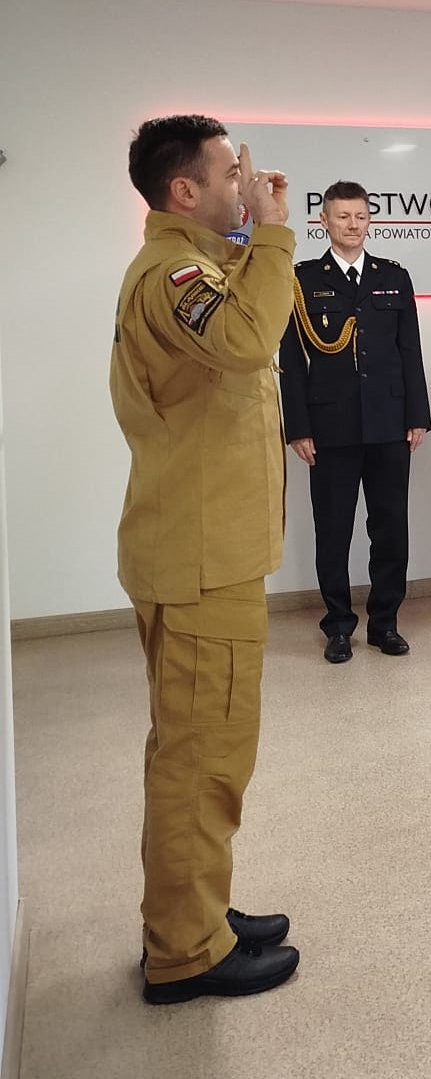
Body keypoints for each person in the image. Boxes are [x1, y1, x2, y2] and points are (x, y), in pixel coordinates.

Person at [111, 115, 300, 1002]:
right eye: (229, 174)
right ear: (183, 190)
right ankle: (186, 952)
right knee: (200, 761)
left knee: (202, 749)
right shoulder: (174, 275)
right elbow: (249, 340)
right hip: (198, 563)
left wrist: (254, 234)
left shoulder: (206, 264)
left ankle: (197, 912)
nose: (246, 185)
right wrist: (273, 233)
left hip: (209, 553)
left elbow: (249, 325)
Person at [279, 181, 431, 664]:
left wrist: (417, 416)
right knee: (333, 531)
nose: (352, 224)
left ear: (370, 220)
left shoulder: (393, 276)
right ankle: (338, 626)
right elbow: (290, 359)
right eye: (342, 216)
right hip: (331, 427)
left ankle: (385, 623)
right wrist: (298, 426)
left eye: (360, 216)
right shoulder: (301, 280)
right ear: (323, 221)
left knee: (390, 530)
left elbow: (410, 351)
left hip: (389, 423)